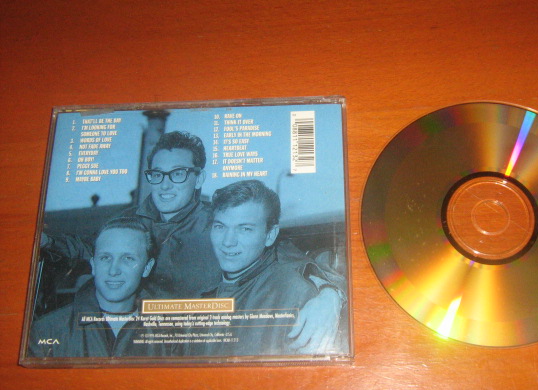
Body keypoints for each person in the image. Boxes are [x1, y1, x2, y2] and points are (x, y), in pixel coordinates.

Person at [40, 131, 343, 352]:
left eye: (178, 174)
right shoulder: (126, 223)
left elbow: (284, 252)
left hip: (199, 341)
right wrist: (45, 242)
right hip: (139, 343)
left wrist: (329, 295)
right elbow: (86, 247)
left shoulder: (219, 222)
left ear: (198, 179)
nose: (166, 185)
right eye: (158, 174)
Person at [192, 180, 341, 357]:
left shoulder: (298, 297)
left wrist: (330, 293)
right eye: (220, 226)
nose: (228, 242)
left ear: (270, 235)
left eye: (245, 229)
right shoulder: (199, 280)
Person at [28, 217, 169, 358]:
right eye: (105, 258)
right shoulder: (46, 330)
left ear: (147, 267)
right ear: (93, 265)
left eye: (128, 258)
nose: (113, 271)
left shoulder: (167, 329)